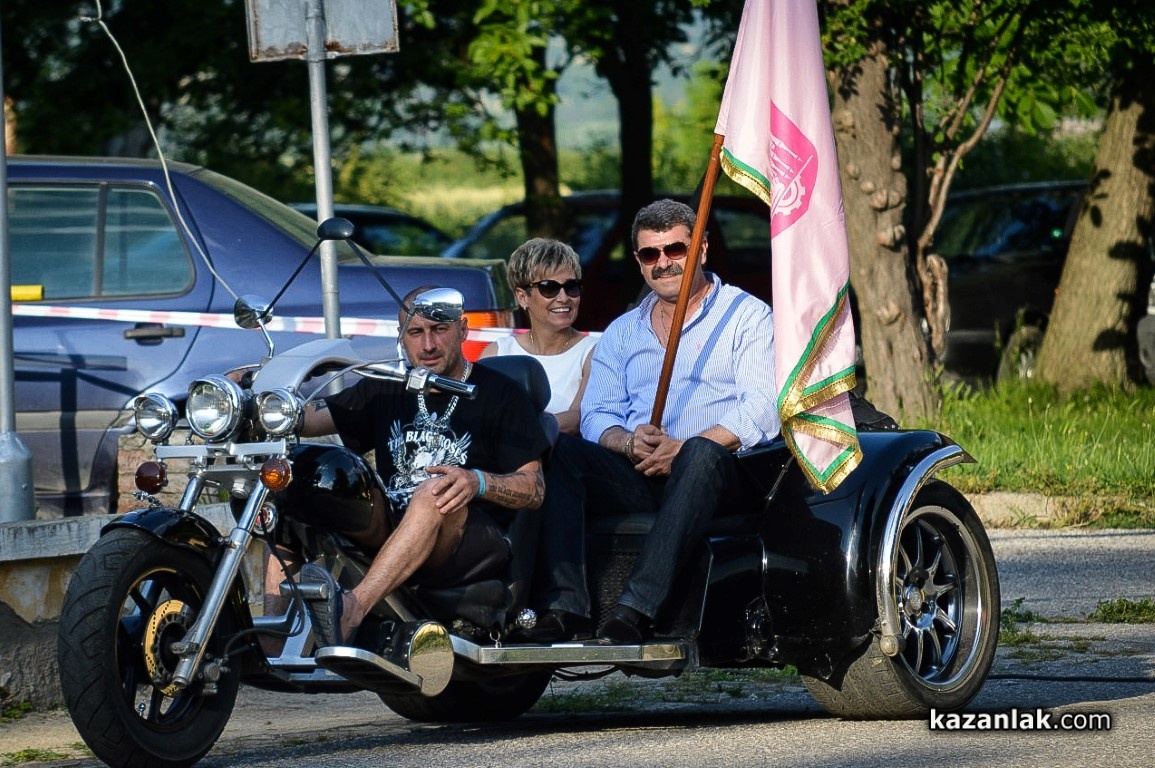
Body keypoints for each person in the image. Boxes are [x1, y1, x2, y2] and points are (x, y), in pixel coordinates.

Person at [523, 198, 781, 644]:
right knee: (559, 450)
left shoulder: (747, 316)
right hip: (640, 469)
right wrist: (628, 442)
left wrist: (683, 447)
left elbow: (761, 407)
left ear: (701, 250)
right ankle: (565, 608)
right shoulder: (622, 330)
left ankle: (635, 610)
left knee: (701, 453)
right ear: (639, 261)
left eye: (675, 250)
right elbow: (597, 414)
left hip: (724, 472)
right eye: (650, 254)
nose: (663, 263)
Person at [289, 285, 552, 646]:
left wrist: (476, 482)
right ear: (402, 337)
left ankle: (353, 609)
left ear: (462, 330)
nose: (428, 345)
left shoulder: (500, 393)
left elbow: (534, 488)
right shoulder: (386, 387)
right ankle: (272, 639)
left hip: (468, 536)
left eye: (439, 329)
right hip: (396, 524)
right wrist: (254, 401)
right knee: (290, 482)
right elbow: (310, 419)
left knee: (434, 492)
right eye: (415, 332)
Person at [480, 238, 597, 435]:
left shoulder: (594, 352)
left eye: (571, 286)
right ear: (522, 297)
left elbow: (582, 417)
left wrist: (518, 426)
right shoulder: (497, 353)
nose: (563, 297)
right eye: (549, 287)